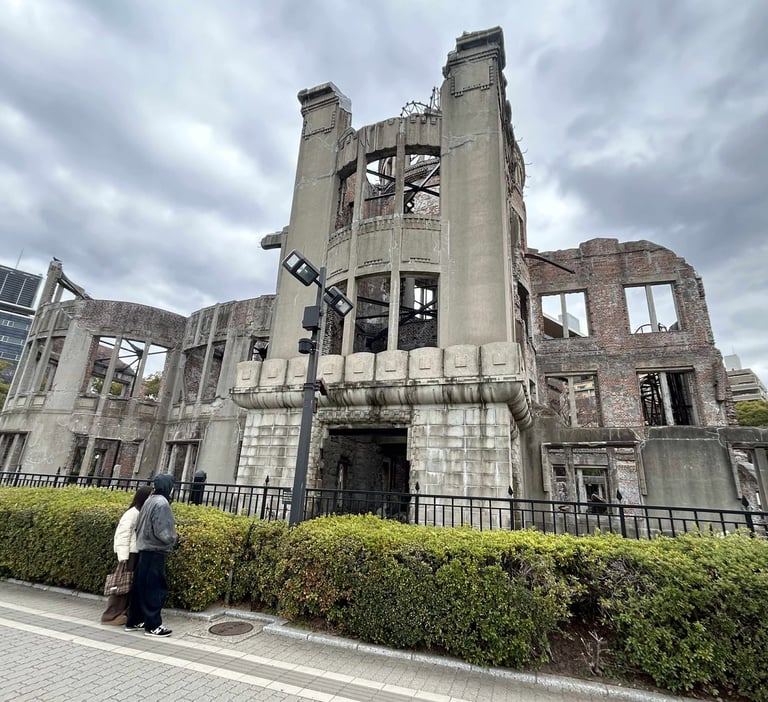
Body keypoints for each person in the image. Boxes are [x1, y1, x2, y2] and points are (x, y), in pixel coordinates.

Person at [125, 473, 178, 637]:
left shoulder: (149, 500)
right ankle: (153, 625)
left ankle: (133, 620)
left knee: (140, 586)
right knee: (155, 588)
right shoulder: (162, 504)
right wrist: (174, 540)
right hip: (156, 550)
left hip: (144, 548)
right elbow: (163, 531)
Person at [101, 485, 153, 625]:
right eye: (149, 496)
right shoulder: (132, 513)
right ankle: (111, 615)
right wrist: (123, 557)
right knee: (123, 584)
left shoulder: (141, 512)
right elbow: (122, 534)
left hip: (137, 552)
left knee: (131, 585)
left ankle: (125, 613)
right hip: (130, 554)